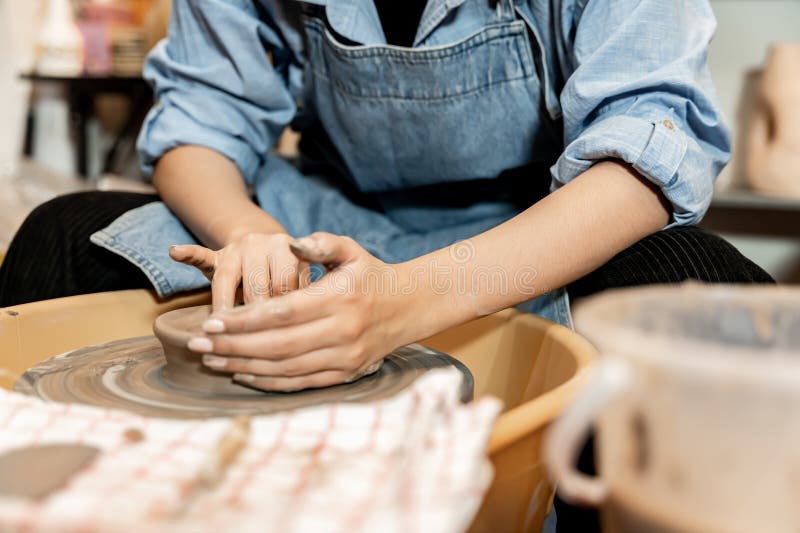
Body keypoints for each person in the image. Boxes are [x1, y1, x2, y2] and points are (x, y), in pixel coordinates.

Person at [0, 1, 773, 529]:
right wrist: (249, 234)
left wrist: (409, 300)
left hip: (538, 222)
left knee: (709, 300)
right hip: (321, 216)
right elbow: (200, 119)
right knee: (61, 237)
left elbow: (647, 147)